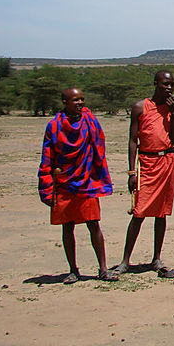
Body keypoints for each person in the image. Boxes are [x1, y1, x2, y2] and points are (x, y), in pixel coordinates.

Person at [38, 88, 118, 283]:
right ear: (65, 102)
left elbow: (99, 149)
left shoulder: (90, 122)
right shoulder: (54, 126)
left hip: (86, 181)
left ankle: (103, 268)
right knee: (68, 227)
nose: (80, 103)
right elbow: (47, 158)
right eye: (75, 100)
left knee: (94, 224)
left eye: (82, 99)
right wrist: (46, 187)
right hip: (64, 182)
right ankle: (73, 270)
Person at [113, 71, 174, 278]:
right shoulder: (140, 107)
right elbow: (133, 140)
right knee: (139, 212)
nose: (169, 88)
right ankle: (125, 261)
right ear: (155, 84)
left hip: (168, 161)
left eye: (172, 84)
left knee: (161, 213)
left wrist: (171, 113)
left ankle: (157, 258)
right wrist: (131, 171)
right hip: (146, 162)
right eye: (165, 84)